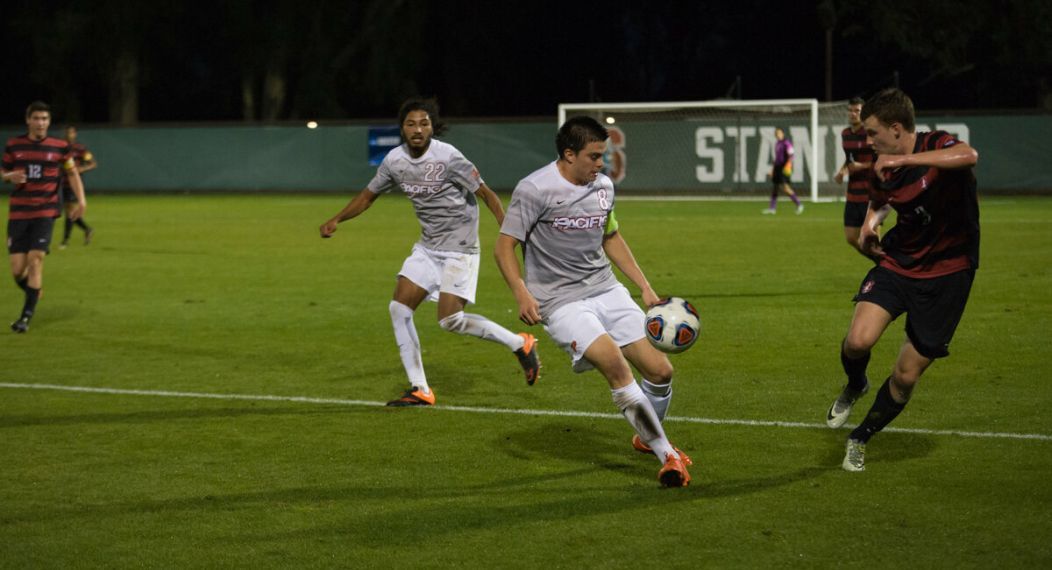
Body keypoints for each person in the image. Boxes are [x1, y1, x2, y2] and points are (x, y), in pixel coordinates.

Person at [494, 116, 691, 488]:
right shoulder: (534, 189)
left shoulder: (603, 187)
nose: (601, 164)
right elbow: (504, 246)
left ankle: (644, 436)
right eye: (594, 156)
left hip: (605, 288)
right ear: (569, 154)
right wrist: (521, 290)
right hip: (560, 301)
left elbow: (611, 236)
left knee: (662, 371)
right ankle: (668, 455)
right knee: (617, 367)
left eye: (603, 156)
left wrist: (645, 288)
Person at [319, 97, 540, 407]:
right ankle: (420, 388)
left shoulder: (449, 157)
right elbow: (368, 197)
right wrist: (337, 219)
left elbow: (487, 194)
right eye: (411, 124)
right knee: (399, 309)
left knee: (450, 320)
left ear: (433, 127)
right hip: (427, 248)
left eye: (424, 123)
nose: (418, 129)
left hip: (460, 249)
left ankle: (520, 343)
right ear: (402, 129)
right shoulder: (394, 161)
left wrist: (507, 228)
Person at [824, 88, 980, 472]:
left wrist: (905, 157)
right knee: (858, 340)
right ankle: (856, 383)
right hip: (899, 261)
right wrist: (869, 225)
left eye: (874, 134)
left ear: (897, 129)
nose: (869, 141)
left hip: (948, 274)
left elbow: (968, 156)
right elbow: (882, 202)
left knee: (906, 375)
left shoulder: (936, 144)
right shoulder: (883, 164)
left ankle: (860, 437)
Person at [2, 101, 87, 333]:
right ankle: (34, 290)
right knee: (17, 269)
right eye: (37, 118)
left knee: (36, 259)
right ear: (28, 120)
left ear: (48, 122)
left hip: (45, 211)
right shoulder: (13, 145)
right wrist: (10, 175)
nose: (41, 123)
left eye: (44, 119)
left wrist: (82, 200)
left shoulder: (60, 147)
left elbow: (72, 174)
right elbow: (3, 173)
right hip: (19, 212)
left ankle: (25, 319)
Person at [834, 98, 879, 258]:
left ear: (863, 113)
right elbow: (849, 159)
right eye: (850, 111)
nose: (853, 114)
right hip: (852, 194)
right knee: (851, 237)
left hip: (871, 193)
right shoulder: (845, 134)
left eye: (857, 111)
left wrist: (862, 166)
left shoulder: (870, 133)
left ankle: (883, 269)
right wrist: (841, 172)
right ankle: (881, 263)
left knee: (872, 239)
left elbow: (880, 160)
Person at [59, 125, 96, 248]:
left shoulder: (80, 148)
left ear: (75, 134)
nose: (68, 134)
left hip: (74, 183)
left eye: (71, 132)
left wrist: (81, 169)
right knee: (69, 211)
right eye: (66, 132)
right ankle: (87, 229)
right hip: (64, 182)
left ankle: (65, 241)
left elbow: (92, 163)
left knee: (69, 211)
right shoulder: (61, 147)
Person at [762, 127, 804, 215]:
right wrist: (772, 170)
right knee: (775, 188)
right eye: (776, 133)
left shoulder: (786, 143)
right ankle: (772, 209)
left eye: (779, 133)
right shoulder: (777, 143)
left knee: (786, 188)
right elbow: (776, 159)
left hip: (784, 168)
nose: (778, 135)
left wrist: (788, 165)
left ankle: (799, 204)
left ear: (783, 134)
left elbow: (791, 154)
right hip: (777, 167)